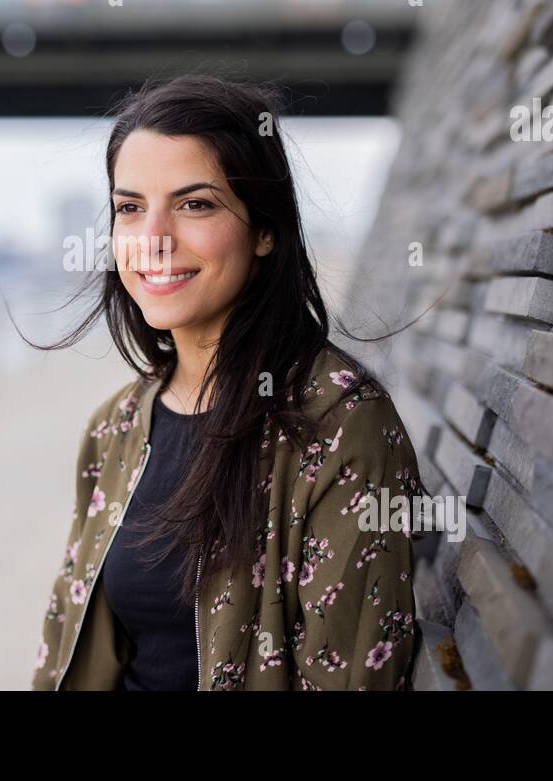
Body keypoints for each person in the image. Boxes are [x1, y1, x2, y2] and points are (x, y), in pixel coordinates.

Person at [29, 74, 426, 690]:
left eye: (195, 205)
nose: (153, 240)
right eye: (131, 208)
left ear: (264, 230)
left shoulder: (341, 424)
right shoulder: (114, 428)